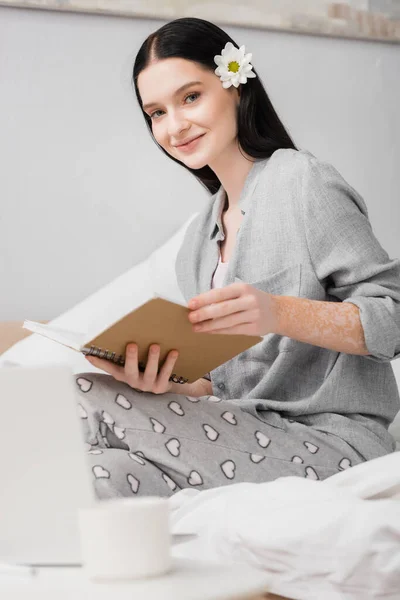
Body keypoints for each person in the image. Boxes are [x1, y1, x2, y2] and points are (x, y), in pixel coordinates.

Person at [75, 17, 400, 499]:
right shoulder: (198, 243)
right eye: (156, 113)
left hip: (334, 442)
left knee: (81, 398)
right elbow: (227, 388)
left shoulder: (303, 184)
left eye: (190, 97)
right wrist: (167, 387)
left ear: (236, 87)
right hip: (247, 435)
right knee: (90, 476)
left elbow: (392, 319)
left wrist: (276, 312)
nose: (174, 126)